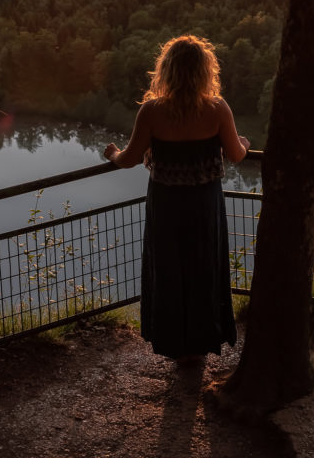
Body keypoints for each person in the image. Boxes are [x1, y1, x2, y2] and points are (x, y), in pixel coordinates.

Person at [103, 35, 250, 361]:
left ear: (166, 70)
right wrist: (245, 142)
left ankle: (173, 342)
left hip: (167, 204)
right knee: (204, 266)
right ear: (204, 71)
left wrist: (113, 154)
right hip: (204, 204)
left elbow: (129, 159)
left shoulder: (153, 112)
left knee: (169, 268)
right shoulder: (217, 109)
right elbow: (237, 155)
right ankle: (202, 340)